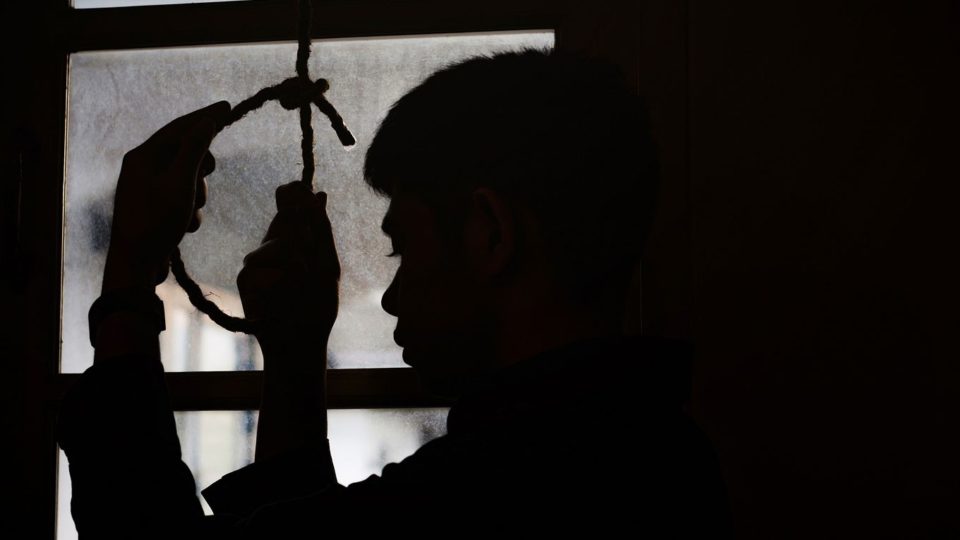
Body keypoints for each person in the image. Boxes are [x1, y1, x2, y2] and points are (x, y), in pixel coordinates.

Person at [58, 49, 733, 538]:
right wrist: (294, 362)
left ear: (489, 234)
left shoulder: (504, 486)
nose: (391, 299)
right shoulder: (646, 457)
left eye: (403, 248)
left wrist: (126, 286)